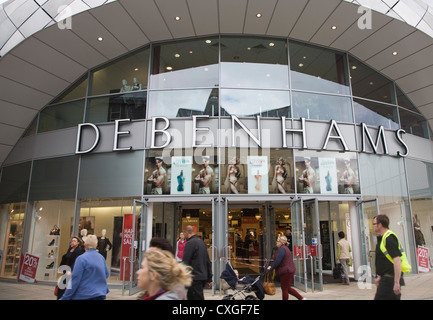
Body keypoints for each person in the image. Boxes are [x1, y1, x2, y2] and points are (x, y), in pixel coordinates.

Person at [373, 214, 411, 300]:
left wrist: (396, 282)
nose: (373, 226)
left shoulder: (389, 238)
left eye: (374, 224)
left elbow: (397, 260)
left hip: (390, 280)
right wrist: (379, 276)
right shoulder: (383, 238)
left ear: (380, 224)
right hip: (385, 279)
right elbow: (384, 260)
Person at [60, 235, 110, 300]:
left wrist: (65, 297)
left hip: (83, 294)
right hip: (99, 294)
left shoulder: (81, 259)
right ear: (96, 245)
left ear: (85, 245)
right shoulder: (101, 258)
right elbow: (106, 273)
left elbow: (75, 279)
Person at [267, 235, 304, 300]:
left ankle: (301, 298)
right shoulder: (284, 248)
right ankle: (301, 298)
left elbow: (278, 260)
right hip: (288, 270)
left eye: (278, 241)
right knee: (287, 288)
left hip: (286, 271)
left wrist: (271, 267)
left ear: (281, 242)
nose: (276, 242)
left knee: (285, 289)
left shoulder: (282, 249)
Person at [182, 225, 213, 300]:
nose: (183, 236)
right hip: (202, 276)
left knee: (196, 297)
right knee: (191, 296)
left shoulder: (190, 243)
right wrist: (209, 277)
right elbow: (207, 261)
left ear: (186, 233)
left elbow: (186, 261)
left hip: (194, 276)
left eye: (184, 234)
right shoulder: (201, 242)